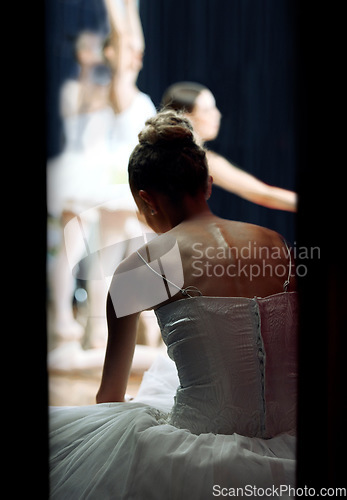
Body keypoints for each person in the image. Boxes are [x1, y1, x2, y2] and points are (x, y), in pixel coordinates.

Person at [49, 109, 298, 498]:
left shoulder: (144, 266)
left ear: (145, 200)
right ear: (209, 185)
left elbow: (109, 396)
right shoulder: (274, 244)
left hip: (194, 454)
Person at [47, 0, 158, 373]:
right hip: (109, 185)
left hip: (113, 185)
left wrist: (132, 7)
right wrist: (118, 7)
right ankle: (88, 329)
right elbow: (127, 41)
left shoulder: (125, 90)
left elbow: (131, 42)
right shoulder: (123, 91)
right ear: (115, 54)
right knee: (103, 262)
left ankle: (99, 333)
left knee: (107, 264)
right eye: (129, 51)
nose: (137, 54)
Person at [161, 81, 297, 212]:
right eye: (207, 110)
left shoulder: (162, 153)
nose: (217, 114)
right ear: (186, 117)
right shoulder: (195, 160)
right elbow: (264, 195)